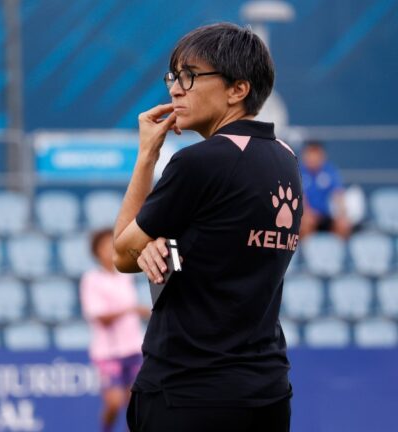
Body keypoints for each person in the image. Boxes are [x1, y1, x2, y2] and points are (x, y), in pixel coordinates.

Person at [112, 23, 300, 432]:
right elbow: (219, 244)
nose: (176, 89)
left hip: (188, 392)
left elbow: (121, 254)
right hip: (266, 391)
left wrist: (147, 155)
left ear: (238, 90)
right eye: (174, 77)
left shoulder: (201, 161)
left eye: (191, 76)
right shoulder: (286, 160)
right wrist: (160, 242)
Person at [80, 228, 150, 432]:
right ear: (96, 252)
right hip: (108, 352)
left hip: (133, 348)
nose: (109, 250)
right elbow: (99, 317)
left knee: (135, 404)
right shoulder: (91, 279)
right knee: (114, 402)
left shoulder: (125, 276)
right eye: (104, 246)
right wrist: (131, 309)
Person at [299, 140, 352, 239]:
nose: (313, 158)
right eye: (310, 154)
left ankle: (335, 252)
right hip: (308, 215)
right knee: (305, 222)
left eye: (316, 154)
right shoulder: (298, 172)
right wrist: (307, 213)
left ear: (322, 156)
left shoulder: (330, 171)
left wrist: (341, 214)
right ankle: (306, 253)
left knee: (343, 224)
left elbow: (338, 195)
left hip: (327, 216)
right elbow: (300, 199)